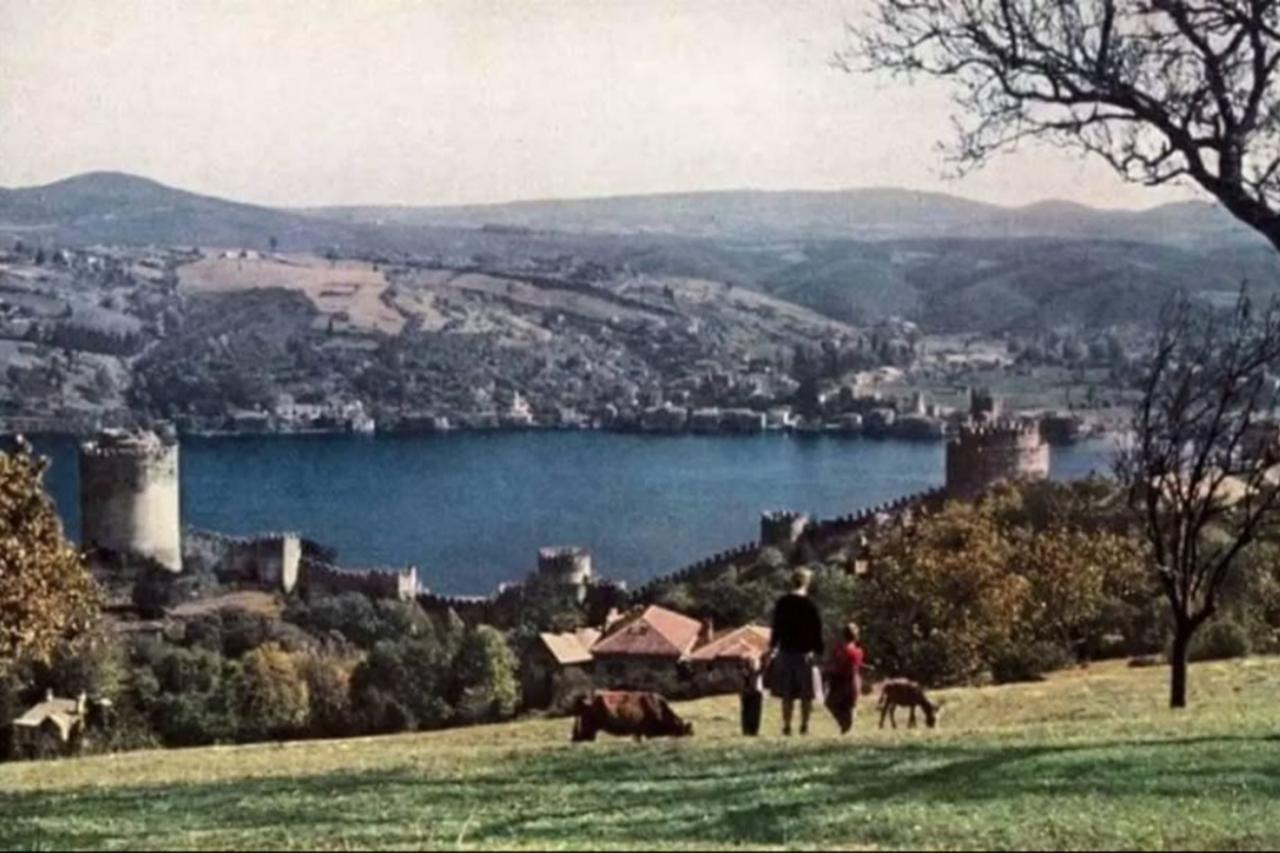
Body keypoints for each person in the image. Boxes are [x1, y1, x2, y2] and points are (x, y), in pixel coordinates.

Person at [765, 567, 824, 736]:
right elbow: (816, 631)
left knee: (787, 694)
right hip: (805, 654)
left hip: (786, 653)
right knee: (806, 695)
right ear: (807, 582)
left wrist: (772, 648)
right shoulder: (810, 605)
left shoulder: (782, 603)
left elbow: (776, 629)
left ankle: (787, 726)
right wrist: (819, 652)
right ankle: (804, 726)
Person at [824, 622, 865, 734]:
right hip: (852, 680)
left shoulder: (841, 650)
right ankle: (846, 726)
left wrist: (828, 672)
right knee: (848, 705)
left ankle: (845, 726)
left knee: (833, 703)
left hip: (841, 680)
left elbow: (837, 665)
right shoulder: (858, 651)